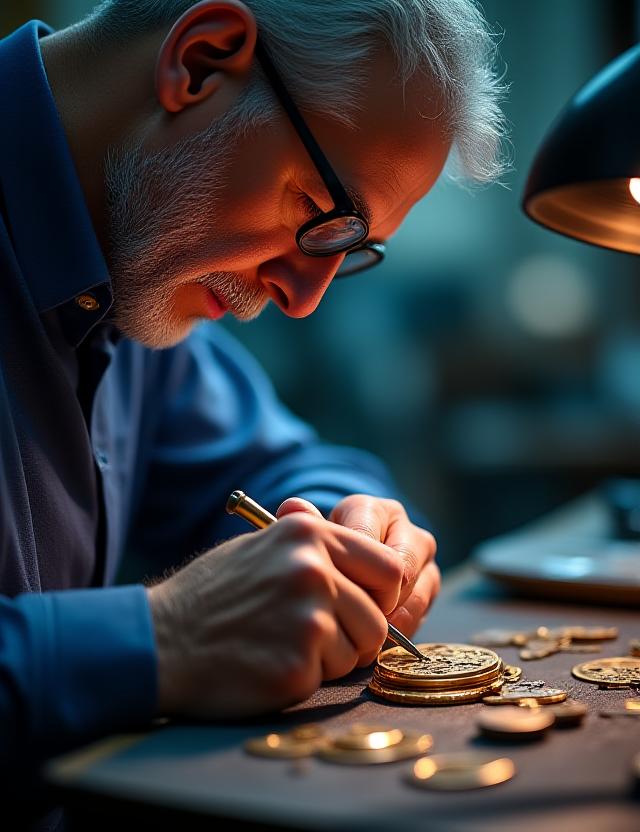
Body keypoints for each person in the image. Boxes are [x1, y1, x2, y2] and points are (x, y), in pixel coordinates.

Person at [0, 0, 507, 819]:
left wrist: (354, 524)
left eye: (349, 250)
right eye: (319, 216)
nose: (302, 302)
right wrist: (162, 640)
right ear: (199, 63)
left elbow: (271, 466)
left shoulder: (136, 256)